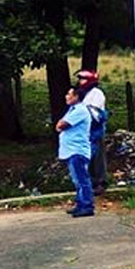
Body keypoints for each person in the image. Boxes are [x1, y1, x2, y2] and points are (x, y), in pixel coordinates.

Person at [56, 87, 95, 217]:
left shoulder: (80, 111)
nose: (66, 96)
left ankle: (87, 206)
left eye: (69, 94)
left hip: (77, 151)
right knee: (77, 180)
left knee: (82, 179)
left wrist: (60, 125)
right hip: (71, 150)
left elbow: (61, 125)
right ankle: (80, 204)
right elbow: (59, 124)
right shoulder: (72, 110)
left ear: (76, 96)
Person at [76, 69, 108, 195]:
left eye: (82, 79)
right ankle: (90, 182)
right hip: (84, 130)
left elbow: (94, 112)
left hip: (95, 129)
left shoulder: (96, 93)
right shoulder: (83, 93)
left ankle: (100, 182)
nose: (80, 82)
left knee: (98, 156)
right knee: (87, 156)